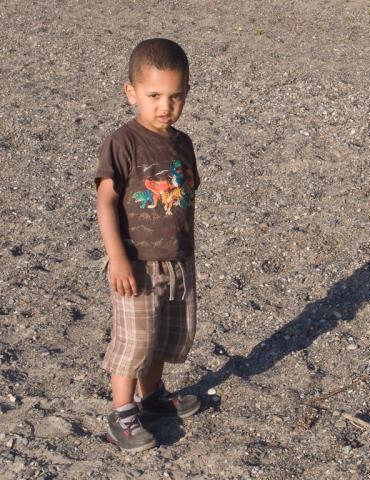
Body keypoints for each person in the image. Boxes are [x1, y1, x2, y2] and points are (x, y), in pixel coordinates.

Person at [95, 38, 200, 452]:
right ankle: (122, 413)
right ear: (131, 92)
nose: (165, 106)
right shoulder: (123, 142)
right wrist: (117, 256)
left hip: (176, 261)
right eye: (154, 95)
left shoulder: (182, 143)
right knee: (133, 342)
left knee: (164, 337)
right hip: (136, 263)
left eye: (175, 97)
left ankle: (152, 398)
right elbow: (105, 199)